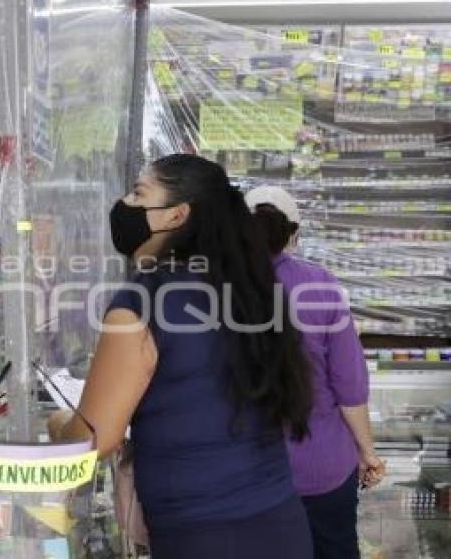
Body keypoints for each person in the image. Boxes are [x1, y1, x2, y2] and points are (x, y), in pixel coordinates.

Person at [49, 154, 314, 559]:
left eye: (139, 193)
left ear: (175, 216)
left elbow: (94, 440)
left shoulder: (143, 299)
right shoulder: (249, 292)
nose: (126, 203)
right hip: (282, 524)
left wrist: (60, 424)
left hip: (200, 537)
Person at [246, 185, 385, 559]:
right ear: (294, 233)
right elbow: (350, 386)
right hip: (320, 469)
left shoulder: (215, 287)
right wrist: (367, 451)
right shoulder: (321, 285)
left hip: (244, 471)